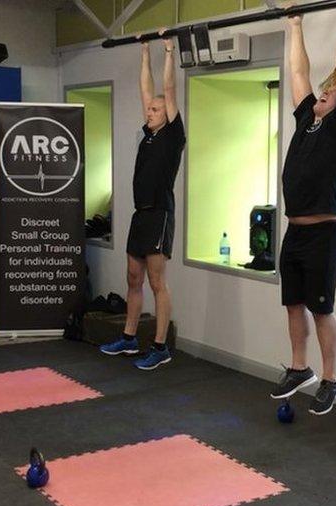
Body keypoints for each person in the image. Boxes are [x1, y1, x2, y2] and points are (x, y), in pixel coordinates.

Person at [269, 2, 336, 416]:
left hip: (324, 234)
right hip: (294, 232)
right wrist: (295, 23)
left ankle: (330, 378)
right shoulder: (305, 120)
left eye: (333, 90)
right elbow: (297, 73)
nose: (324, 92)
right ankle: (299, 367)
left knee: (321, 307)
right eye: (323, 90)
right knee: (293, 302)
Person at [99, 29, 185, 371]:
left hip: (159, 214)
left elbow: (168, 90)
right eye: (148, 108)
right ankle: (130, 338)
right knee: (133, 278)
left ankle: (160, 346)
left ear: (167, 114)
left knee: (155, 281)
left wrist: (167, 51)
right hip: (139, 215)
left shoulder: (173, 134)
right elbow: (145, 89)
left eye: (154, 109)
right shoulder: (149, 133)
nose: (148, 111)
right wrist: (145, 53)